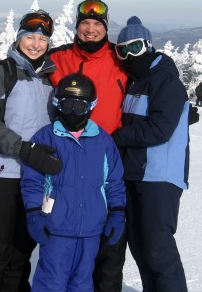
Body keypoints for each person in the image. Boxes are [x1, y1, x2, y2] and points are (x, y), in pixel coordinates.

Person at [0, 10, 63, 292]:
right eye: (30, 37)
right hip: (0, 174)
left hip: (34, 177)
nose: (35, 44)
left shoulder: (50, 78)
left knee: (22, 250)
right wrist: (24, 149)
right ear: (19, 38)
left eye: (42, 39)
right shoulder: (1, 73)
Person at [48, 0, 128, 292]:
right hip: (65, 164)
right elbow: (24, 69)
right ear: (77, 26)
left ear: (106, 28)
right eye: (85, 23)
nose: (91, 29)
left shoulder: (120, 61)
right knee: (65, 246)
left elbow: (150, 78)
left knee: (109, 249)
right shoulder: (57, 59)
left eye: (97, 23)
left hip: (108, 165)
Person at [20, 73, 126, 292]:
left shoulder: (102, 140)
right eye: (67, 105)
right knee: (51, 282)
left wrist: (117, 211)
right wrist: (32, 213)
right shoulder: (45, 138)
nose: (73, 112)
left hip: (91, 230)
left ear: (90, 107)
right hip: (56, 229)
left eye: (80, 106)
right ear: (58, 105)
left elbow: (114, 180)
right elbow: (32, 180)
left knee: (82, 283)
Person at [111, 16, 190, 291]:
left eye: (135, 48)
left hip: (159, 178)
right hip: (136, 175)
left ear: (149, 46)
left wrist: (118, 136)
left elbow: (159, 130)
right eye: (123, 50)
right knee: (142, 251)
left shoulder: (164, 80)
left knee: (158, 252)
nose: (129, 56)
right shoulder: (138, 81)